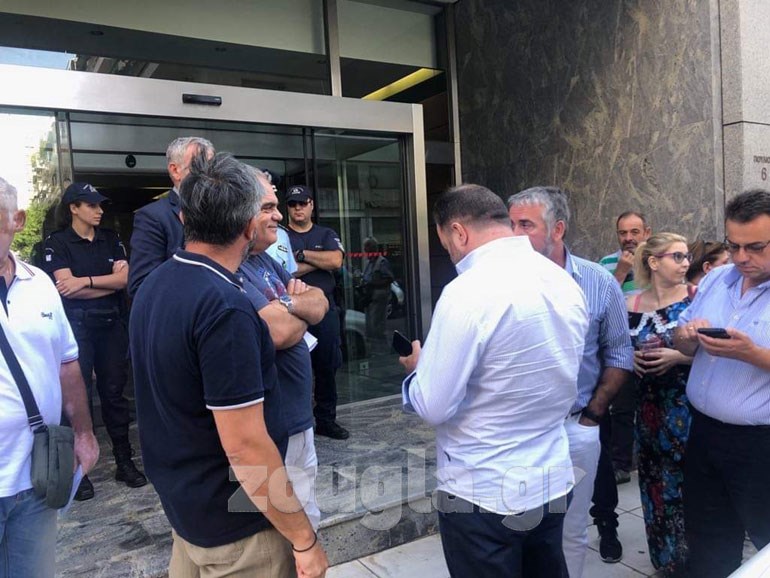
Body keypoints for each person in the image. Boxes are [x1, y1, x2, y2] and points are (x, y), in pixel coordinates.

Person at [129, 154, 328, 578]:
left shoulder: (155, 285)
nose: (276, 216)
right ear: (248, 226)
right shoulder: (225, 307)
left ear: (184, 218)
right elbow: (245, 445)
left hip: (188, 515)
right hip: (239, 530)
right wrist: (304, 539)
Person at [399, 184, 588, 578]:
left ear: (458, 232)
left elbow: (433, 406)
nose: (450, 253)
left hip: (482, 492)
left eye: (445, 243)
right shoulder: (562, 281)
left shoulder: (466, 292)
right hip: (551, 479)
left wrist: (418, 369)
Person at [508, 187, 633, 577]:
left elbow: (619, 352)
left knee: (572, 529)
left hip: (577, 426)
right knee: (517, 527)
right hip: (518, 431)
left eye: (525, 225)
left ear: (557, 229)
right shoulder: (499, 283)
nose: (514, 235)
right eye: (510, 225)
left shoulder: (598, 282)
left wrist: (592, 416)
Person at [0, 176, 99, 577]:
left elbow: (67, 362)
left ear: (18, 220)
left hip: (36, 476)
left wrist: (84, 433)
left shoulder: (39, 283)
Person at [675, 189, 770, 578]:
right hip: (704, 435)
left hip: (760, 446)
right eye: (734, 246)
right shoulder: (717, 280)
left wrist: (752, 354)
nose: (742, 257)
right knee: (709, 543)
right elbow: (682, 343)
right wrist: (687, 336)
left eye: (756, 247)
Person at [43, 182, 146, 501]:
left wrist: (85, 282)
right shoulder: (57, 242)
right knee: (79, 400)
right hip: (77, 328)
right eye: (91, 205)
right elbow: (65, 288)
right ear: (74, 208)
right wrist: (106, 284)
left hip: (111, 326)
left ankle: (124, 461)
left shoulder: (111, 239)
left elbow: (124, 280)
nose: (99, 210)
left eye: (100, 205)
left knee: (114, 395)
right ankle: (80, 471)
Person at [239, 169, 328, 530]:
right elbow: (275, 331)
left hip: (299, 418)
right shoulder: (231, 269)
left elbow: (319, 302)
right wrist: (297, 309)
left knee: (307, 514)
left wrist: (288, 305)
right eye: (268, 208)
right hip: (272, 428)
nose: (279, 215)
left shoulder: (264, 259)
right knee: (280, 528)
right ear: (242, 212)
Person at [626, 233, 693, 577]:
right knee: (655, 485)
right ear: (653, 262)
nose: (685, 263)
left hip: (687, 410)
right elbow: (615, 348)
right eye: (677, 256)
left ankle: (697, 561)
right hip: (649, 414)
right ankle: (665, 561)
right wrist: (630, 360)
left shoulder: (696, 298)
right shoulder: (631, 303)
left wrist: (678, 357)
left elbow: (719, 353)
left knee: (689, 488)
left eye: (687, 256)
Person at [286, 185, 349, 440]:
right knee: (294, 369)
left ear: (311, 204)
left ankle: (326, 420)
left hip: (325, 313)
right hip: (291, 312)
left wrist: (301, 256)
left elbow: (335, 261)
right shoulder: (281, 236)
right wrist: (317, 260)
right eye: (292, 204)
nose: (298, 208)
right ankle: (298, 423)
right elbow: (286, 270)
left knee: (326, 366)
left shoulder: (326, 233)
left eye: (302, 203)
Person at [599, 211, 651, 485]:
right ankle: (621, 464)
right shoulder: (606, 264)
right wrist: (619, 273)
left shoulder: (659, 259)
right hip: (622, 347)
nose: (628, 238)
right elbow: (600, 305)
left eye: (634, 232)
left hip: (653, 346)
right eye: (623, 233)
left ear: (647, 233)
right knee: (621, 408)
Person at [127, 136, 214, 297]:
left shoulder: (223, 211)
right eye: (200, 167)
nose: (209, 176)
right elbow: (141, 287)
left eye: (213, 168)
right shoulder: (153, 217)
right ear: (175, 170)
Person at [361, 237, 394, 353]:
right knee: (370, 327)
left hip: (379, 299)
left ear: (373, 249)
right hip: (370, 299)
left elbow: (389, 278)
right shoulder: (369, 263)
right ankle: (375, 350)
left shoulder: (382, 262)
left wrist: (374, 283)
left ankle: (384, 350)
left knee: (378, 326)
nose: (366, 252)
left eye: (367, 249)